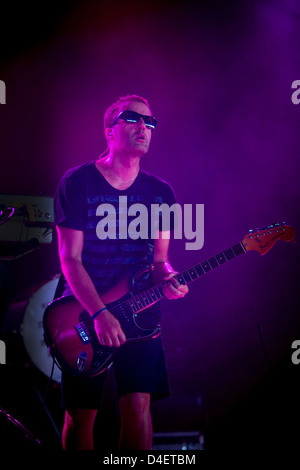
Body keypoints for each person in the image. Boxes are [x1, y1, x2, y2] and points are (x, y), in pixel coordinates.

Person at [54, 94, 189, 450]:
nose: (144, 127)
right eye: (133, 119)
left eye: (150, 122)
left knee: (138, 406)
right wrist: (99, 313)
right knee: (81, 415)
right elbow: (70, 259)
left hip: (140, 311)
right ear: (109, 130)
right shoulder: (78, 182)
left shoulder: (161, 193)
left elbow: (161, 262)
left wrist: (170, 279)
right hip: (83, 312)